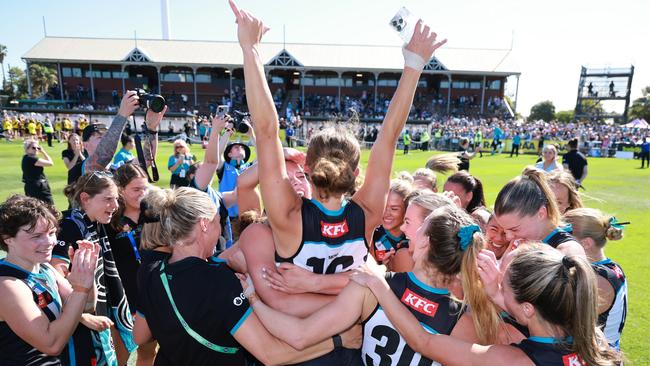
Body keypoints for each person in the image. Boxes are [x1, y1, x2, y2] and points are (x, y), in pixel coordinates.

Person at [242, 205, 517, 366]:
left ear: (425, 242)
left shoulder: (371, 285)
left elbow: (299, 335)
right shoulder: (467, 321)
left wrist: (252, 297)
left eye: (419, 229)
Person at [133, 187, 356, 365]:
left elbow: (141, 337)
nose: (220, 230)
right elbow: (270, 354)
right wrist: (338, 340)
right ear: (203, 224)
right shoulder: (218, 280)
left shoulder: (150, 272)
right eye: (217, 222)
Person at [352, 243, 622, 366]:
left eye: (505, 290)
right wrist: (497, 294)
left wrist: (380, 284)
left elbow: (423, 341)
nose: (499, 296)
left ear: (528, 308)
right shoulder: (596, 343)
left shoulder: (512, 359)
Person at [0, 195, 100, 365]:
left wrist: (86, 278)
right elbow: (51, 344)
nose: (49, 242)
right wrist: (80, 289)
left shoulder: (44, 268)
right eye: (36, 236)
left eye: (52, 233)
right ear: (8, 238)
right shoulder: (7, 285)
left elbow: (86, 306)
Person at [51, 172, 136, 365]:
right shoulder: (71, 226)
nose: (114, 206)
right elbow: (54, 275)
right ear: (85, 198)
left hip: (98, 312)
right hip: (77, 323)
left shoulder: (95, 223)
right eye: (107, 199)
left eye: (116, 199)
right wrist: (82, 316)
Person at [105, 163, 157, 365]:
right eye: (136, 189)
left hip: (152, 291)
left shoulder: (153, 214)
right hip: (122, 297)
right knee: (121, 355)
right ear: (120, 190)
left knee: (148, 351)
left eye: (145, 188)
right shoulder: (109, 220)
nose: (142, 194)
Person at [563, 208, 627, 350]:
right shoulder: (608, 268)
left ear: (586, 243)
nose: (559, 241)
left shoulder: (598, 280)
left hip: (600, 357)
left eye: (564, 237)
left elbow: (564, 322)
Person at [494, 167, 586, 257]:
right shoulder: (523, 242)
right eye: (505, 230)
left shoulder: (566, 251)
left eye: (514, 229)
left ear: (541, 214)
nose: (508, 237)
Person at [371, 179, 413, 272]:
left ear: (406, 209)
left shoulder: (414, 238)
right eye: (384, 206)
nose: (386, 213)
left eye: (394, 209)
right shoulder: (371, 233)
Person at [21, 139, 54, 205]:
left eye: (38, 148)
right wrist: (43, 152)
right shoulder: (31, 159)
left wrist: (42, 151)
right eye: (33, 148)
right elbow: (50, 163)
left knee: (35, 208)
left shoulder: (26, 158)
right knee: (50, 207)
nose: (36, 149)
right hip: (38, 187)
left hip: (31, 186)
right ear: (27, 149)